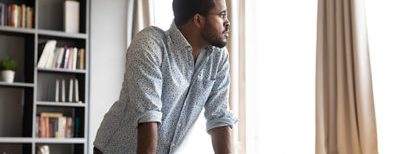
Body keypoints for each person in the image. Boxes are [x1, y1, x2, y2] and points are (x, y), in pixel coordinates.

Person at [93, 0, 237, 153]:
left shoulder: (218, 57)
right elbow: (148, 117)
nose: (227, 23)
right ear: (198, 20)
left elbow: (219, 117)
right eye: (222, 15)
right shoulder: (150, 44)